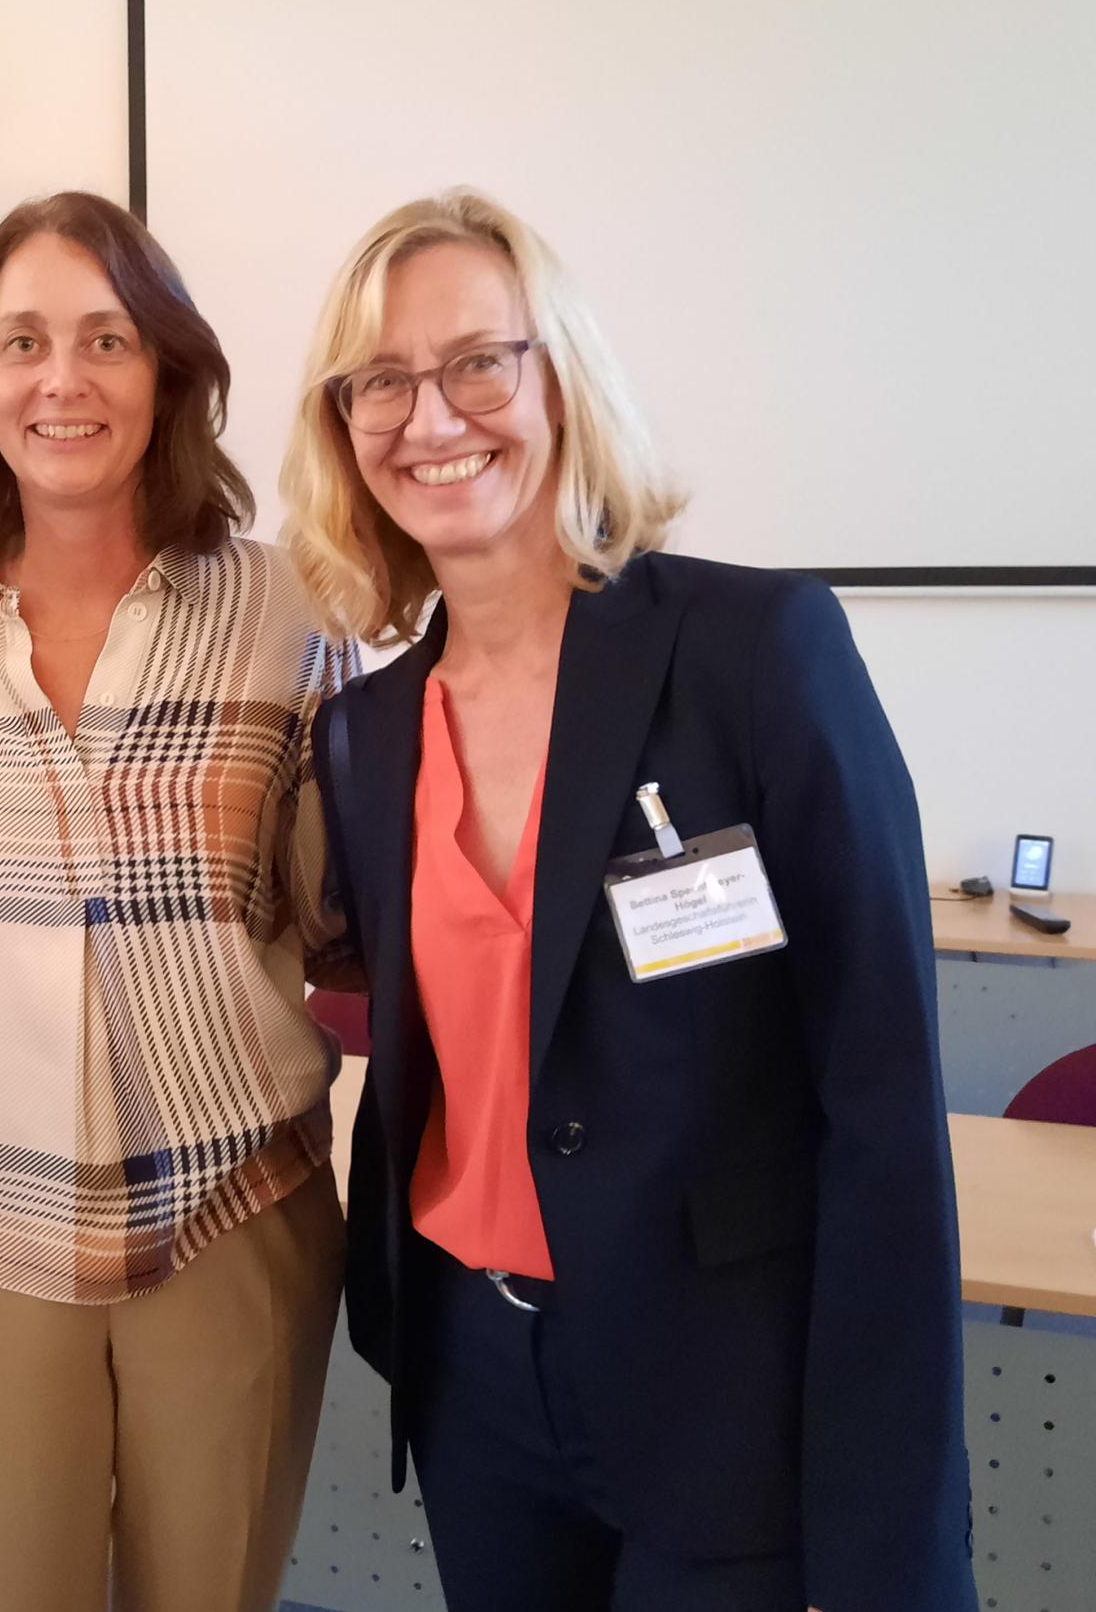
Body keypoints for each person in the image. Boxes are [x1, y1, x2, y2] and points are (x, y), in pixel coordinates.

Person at [283, 190, 974, 1612]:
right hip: (478, 1385)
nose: (431, 417)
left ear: (564, 380)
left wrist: (883, 1535)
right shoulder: (366, 735)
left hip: (724, 1388)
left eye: (479, 362)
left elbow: (882, 1104)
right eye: (381, 382)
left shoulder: (755, 654)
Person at [0, 191, 355, 1612]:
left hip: (235, 1206)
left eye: (107, 339)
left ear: (167, 372)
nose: (62, 379)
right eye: (23, 342)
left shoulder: (290, 613)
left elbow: (350, 907)